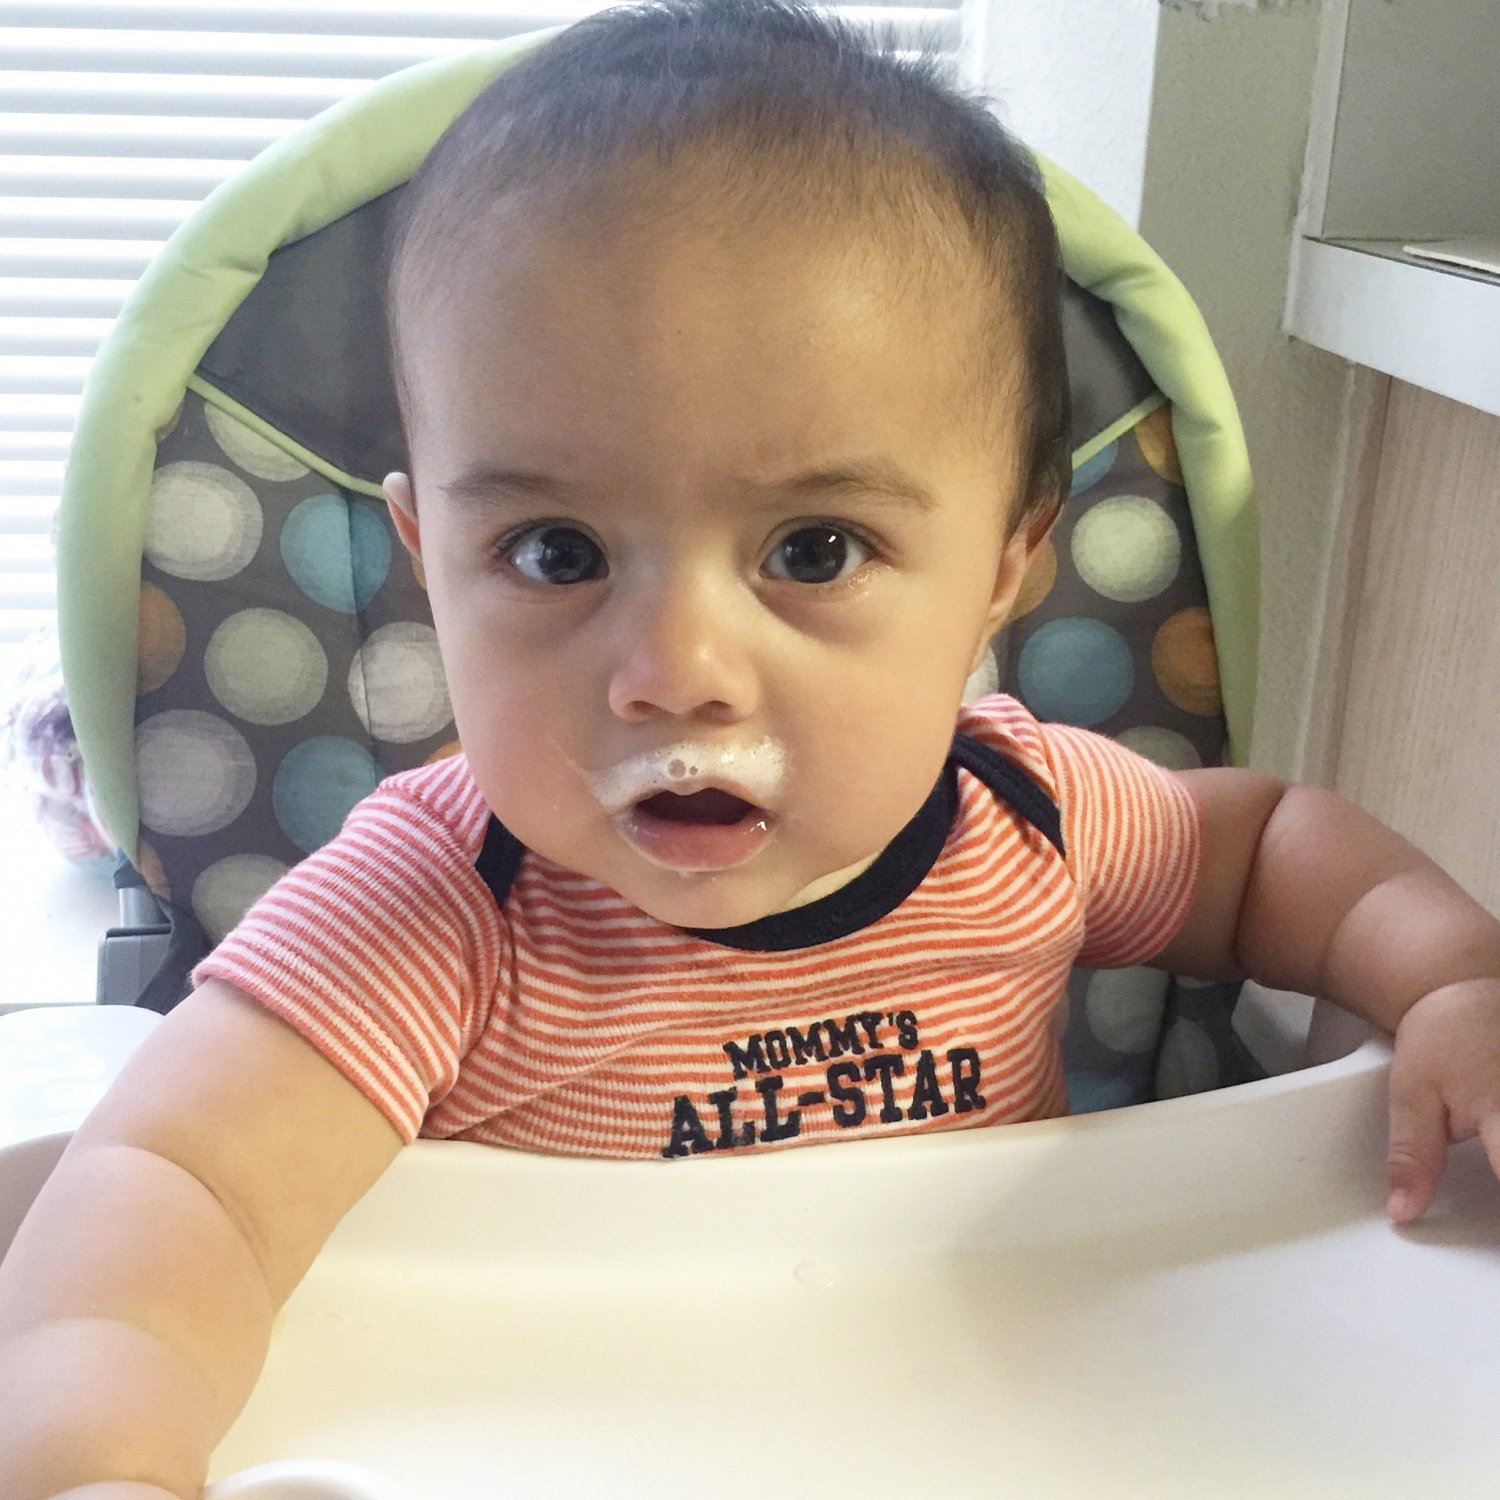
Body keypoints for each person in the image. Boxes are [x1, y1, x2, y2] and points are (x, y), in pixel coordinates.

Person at [4, 0, 1500, 1494]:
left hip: (1001, 1419)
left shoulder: (1031, 817)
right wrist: (100, 1449)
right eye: (553, 554)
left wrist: (1452, 980)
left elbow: (1268, 849)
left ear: (1005, 565)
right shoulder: (437, 914)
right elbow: (169, 1189)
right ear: (423, 556)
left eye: (816, 546)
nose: (677, 674)